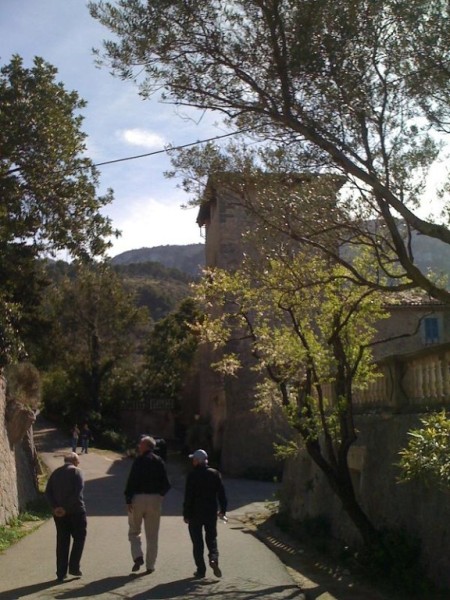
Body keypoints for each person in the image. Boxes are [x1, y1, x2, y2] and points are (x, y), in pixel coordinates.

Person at [124, 435, 171, 574]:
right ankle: (150, 565)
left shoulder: (138, 461)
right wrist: (160, 496)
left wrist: (128, 499)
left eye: (141, 444)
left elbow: (131, 481)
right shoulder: (159, 461)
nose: (139, 446)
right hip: (154, 498)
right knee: (152, 535)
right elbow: (166, 483)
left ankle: (137, 555)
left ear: (146, 446)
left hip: (138, 498)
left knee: (134, 530)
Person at [183, 448, 227, 579]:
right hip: (210, 511)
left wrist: (186, 513)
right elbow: (221, 494)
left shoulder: (192, 475)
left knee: (197, 542)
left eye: (194, 460)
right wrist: (223, 509)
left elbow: (188, 496)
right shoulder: (215, 474)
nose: (192, 462)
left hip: (195, 513)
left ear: (197, 461)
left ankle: (201, 570)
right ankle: (213, 558)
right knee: (211, 538)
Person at [45, 452, 87, 583]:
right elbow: (77, 492)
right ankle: (74, 567)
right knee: (79, 538)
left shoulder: (55, 473)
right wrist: (66, 508)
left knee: (62, 541)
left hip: (59, 514)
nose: (79, 463)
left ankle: (61, 572)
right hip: (76, 511)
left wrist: (56, 507)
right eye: (78, 460)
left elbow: (48, 492)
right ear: (74, 460)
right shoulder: (77, 472)